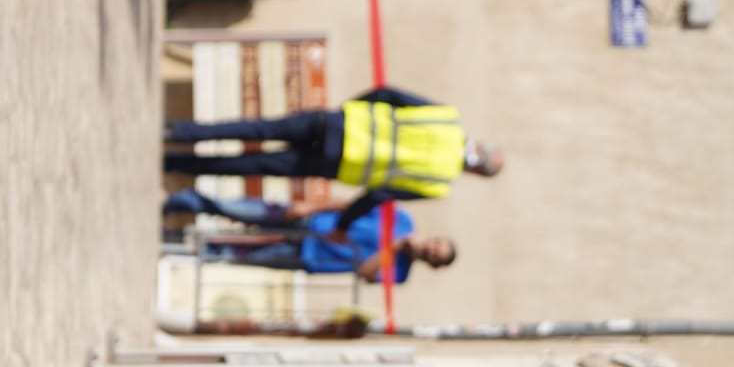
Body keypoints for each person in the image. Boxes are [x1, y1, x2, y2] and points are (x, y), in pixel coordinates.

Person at [164, 85, 501, 229]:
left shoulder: (446, 117)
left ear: (480, 144)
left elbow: (387, 93)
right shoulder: (440, 183)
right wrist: (343, 224)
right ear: (475, 173)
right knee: (252, 166)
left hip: (335, 123)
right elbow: (378, 195)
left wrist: (349, 110)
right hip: (336, 162)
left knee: (257, 129)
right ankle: (176, 164)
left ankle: (179, 133)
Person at [165, 188, 454, 284]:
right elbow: (351, 205)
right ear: (435, 238)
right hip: (311, 221)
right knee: (241, 210)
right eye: (436, 246)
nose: (431, 250)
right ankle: (189, 202)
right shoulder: (401, 218)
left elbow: (365, 272)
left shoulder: (400, 274)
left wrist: (396, 247)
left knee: (233, 253)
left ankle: (174, 243)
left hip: (310, 256)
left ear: (432, 264)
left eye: (435, 256)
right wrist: (312, 205)